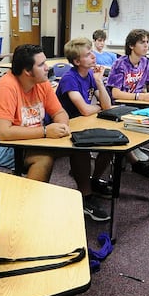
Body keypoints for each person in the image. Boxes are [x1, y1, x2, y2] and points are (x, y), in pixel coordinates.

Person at [0, 44, 110, 221]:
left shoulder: (42, 83)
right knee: (43, 159)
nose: (48, 67)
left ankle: (85, 198)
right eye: (41, 65)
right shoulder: (6, 87)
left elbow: (60, 113)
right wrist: (46, 131)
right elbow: (4, 133)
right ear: (27, 72)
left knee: (79, 145)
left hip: (32, 138)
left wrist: (62, 126)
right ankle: (25, 213)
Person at [106, 28, 149, 178]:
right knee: (139, 111)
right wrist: (139, 97)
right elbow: (115, 94)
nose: (146, 45)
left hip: (136, 102)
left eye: (147, 42)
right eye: (142, 42)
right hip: (118, 104)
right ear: (131, 46)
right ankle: (132, 149)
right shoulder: (120, 64)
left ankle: (136, 146)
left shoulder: (145, 62)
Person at [56, 37, 114, 198]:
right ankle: (85, 191)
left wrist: (99, 82)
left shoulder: (90, 75)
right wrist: (98, 107)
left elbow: (107, 106)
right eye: (88, 55)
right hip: (68, 126)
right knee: (82, 151)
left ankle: (93, 180)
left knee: (112, 144)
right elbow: (85, 110)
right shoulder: (69, 78)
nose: (93, 57)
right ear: (76, 61)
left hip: (84, 123)